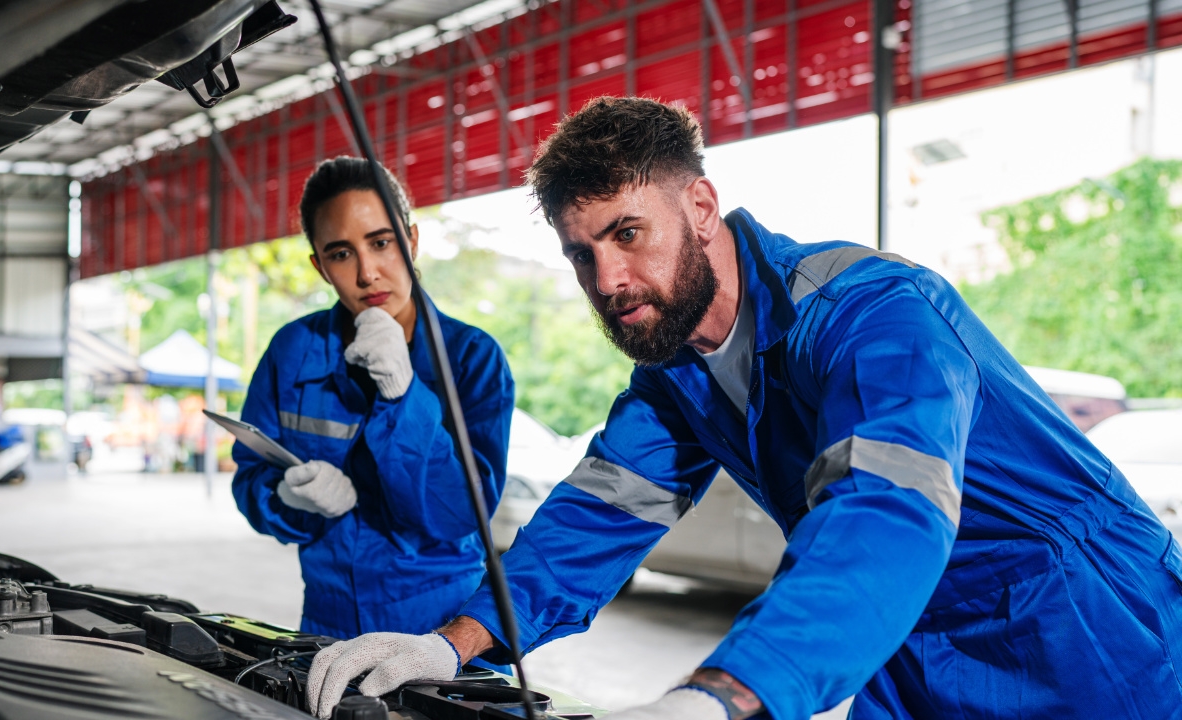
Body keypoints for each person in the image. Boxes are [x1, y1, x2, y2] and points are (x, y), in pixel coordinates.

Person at [301, 98, 1182, 720]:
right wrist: (450, 644)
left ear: (701, 205)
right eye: (581, 256)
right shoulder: (676, 378)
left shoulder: (878, 316)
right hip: (905, 644)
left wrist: (719, 696)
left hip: (1089, 642)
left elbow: (886, 513)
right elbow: (588, 524)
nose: (608, 283)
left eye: (627, 234)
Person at [231, 157, 515, 650]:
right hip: (326, 623)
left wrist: (404, 395)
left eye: (381, 243)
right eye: (341, 254)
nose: (367, 273)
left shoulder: (472, 359)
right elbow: (251, 480)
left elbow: (462, 513)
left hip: (444, 627)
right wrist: (287, 499)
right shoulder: (292, 352)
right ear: (320, 266)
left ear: (412, 240)